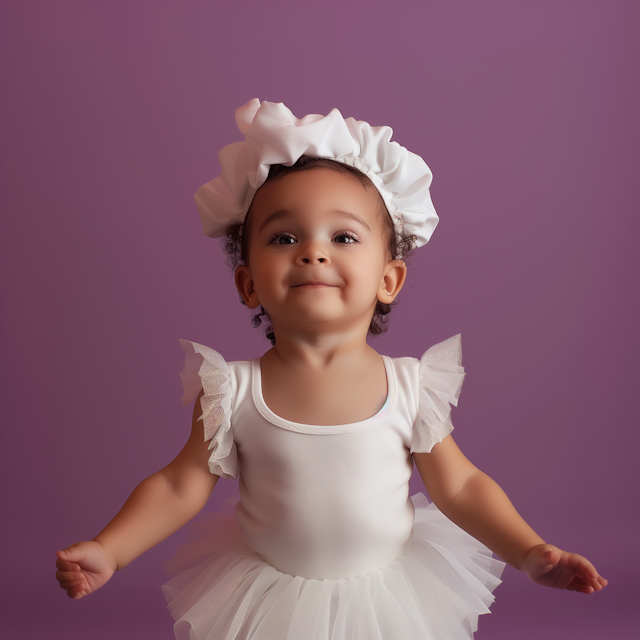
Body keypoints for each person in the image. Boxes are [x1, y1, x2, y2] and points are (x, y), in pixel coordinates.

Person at [55, 99, 607, 640]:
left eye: (343, 237)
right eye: (284, 237)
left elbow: (460, 486)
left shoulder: (410, 387)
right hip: (273, 601)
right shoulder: (233, 390)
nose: (313, 252)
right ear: (249, 284)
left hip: (387, 598)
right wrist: (111, 549)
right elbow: (179, 485)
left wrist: (529, 551)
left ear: (388, 280)